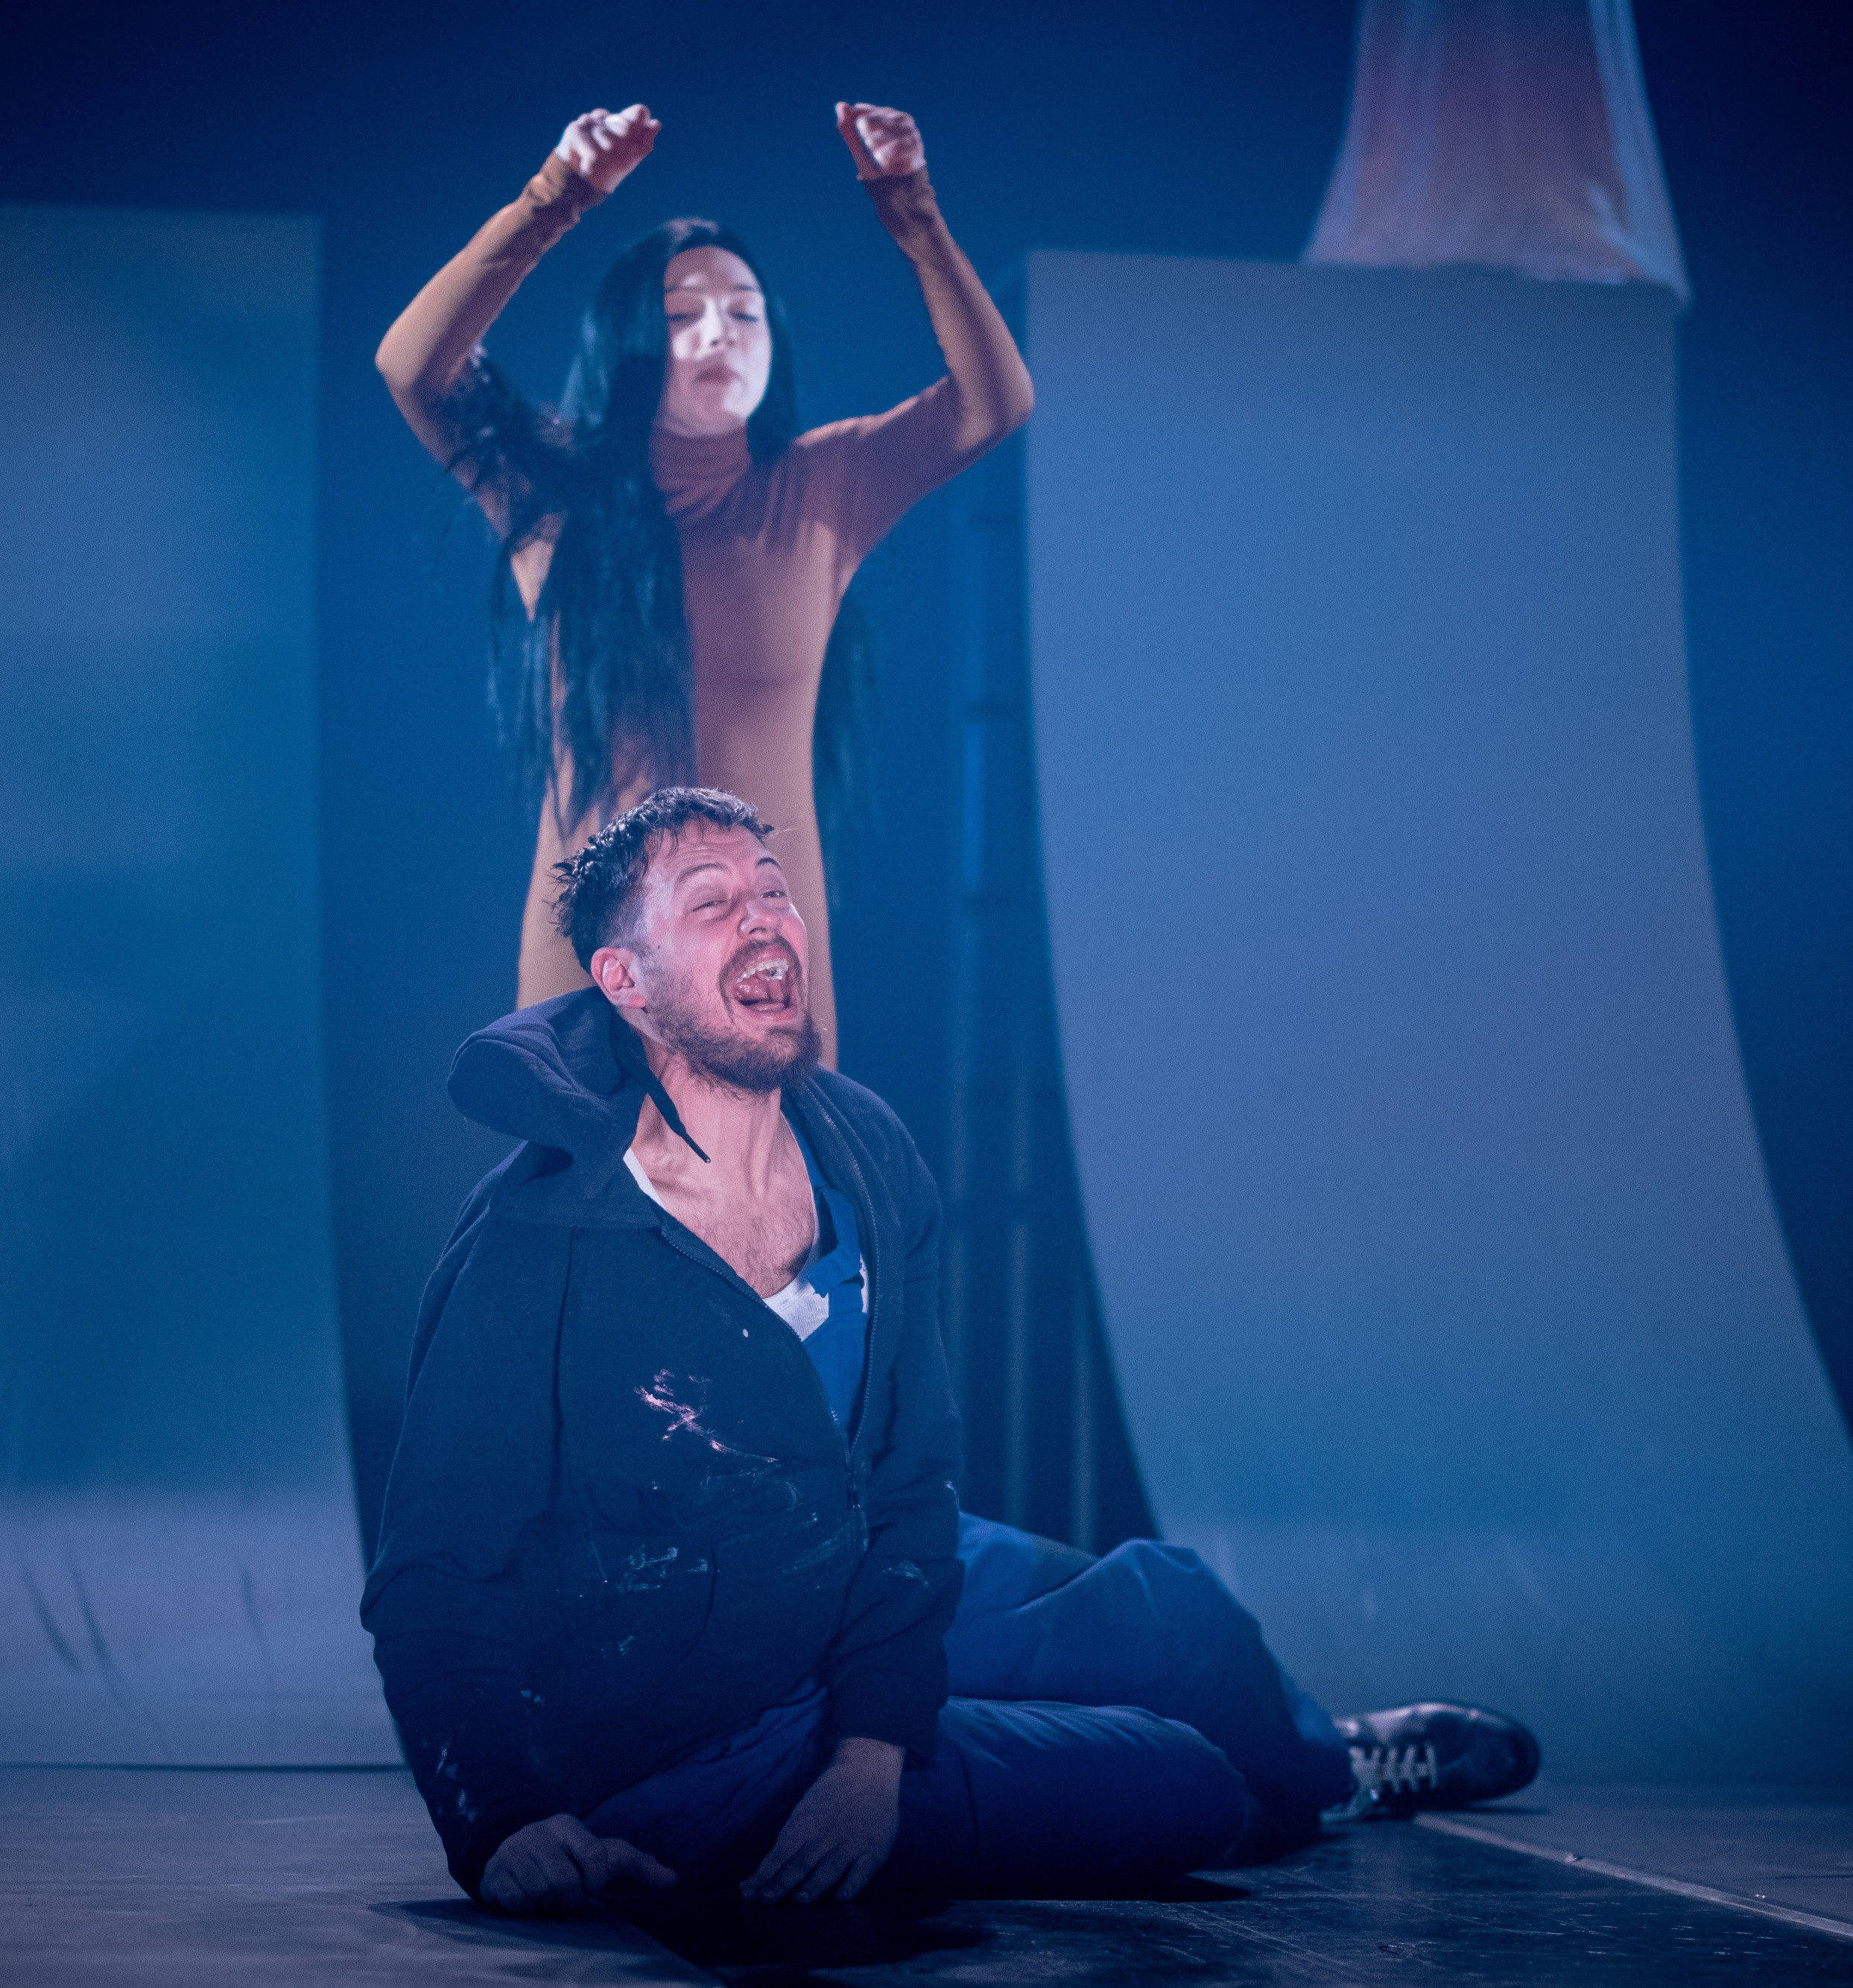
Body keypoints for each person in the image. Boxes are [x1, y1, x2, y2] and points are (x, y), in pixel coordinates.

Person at [362, 787, 1537, 1909]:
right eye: (713, 902)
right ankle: (1224, 1777)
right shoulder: (540, 1238)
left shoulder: (862, 1151)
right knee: (1186, 1788)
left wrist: (874, 1748)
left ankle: (1328, 1767)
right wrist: (500, 1820)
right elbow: (433, 1567)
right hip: (696, 1730)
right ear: (625, 979)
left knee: (1175, 1615)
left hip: (850, 1577)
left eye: (772, 890)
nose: (765, 918)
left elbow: (911, 1476)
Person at [378, 98, 1035, 1063]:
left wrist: (911, 205)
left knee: (768, 1166)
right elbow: (412, 366)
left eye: (745, 312)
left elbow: (995, 400)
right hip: (597, 961)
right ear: (632, 348)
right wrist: (556, 195)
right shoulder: (555, 493)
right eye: (682, 316)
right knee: (591, 1162)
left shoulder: (823, 486)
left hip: (764, 964)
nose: (720, 333)